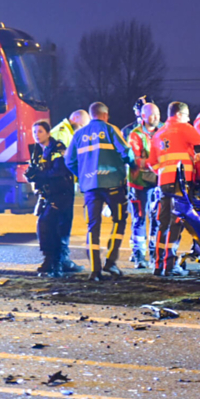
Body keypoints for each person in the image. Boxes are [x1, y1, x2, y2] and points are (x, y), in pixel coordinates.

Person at [64, 102, 135, 281]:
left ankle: (95, 270)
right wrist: (132, 164)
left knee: (92, 227)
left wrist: (83, 175)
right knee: (119, 220)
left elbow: (69, 160)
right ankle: (110, 261)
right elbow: (126, 152)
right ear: (105, 115)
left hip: (90, 187)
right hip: (113, 184)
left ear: (91, 115)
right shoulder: (110, 129)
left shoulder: (79, 134)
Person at [149, 101, 200, 275]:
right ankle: (170, 265)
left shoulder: (158, 133)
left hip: (164, 182)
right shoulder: (184, 127)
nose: (188, 119)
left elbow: (151, 162)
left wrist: (163, 172)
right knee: (176, 222)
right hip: (181, 181)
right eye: (187, 116)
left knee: (162, 223)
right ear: (180, 114)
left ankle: (158, 264)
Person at [24, 121, 74, 277]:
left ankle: (57, 263)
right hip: (47, 194)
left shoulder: (57, 149)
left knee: (53, 227)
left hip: (61, 194)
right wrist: (30, 175)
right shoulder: (37, 150)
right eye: (34, 132)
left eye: (40, 131)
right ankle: (49, 259)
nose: (36, 135)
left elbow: (58, 171)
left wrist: (38, 175)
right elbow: (35, 168)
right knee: (44, 227)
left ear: (48, 133)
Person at [48, 109, 90, 273]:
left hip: (64, 184)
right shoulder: (62, 133)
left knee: (65, 222)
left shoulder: (68, 132)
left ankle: (62, 259)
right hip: (60, 185)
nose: (84, 130)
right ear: (76, 119)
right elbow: (63, 161)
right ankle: (59, 261)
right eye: (83, 126)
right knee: (61, 223)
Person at [126, 101, 161, 268]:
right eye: (152, 115)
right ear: (143, 116)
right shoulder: (136, 135)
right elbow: (136, 159)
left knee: (157, 218)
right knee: (139, 218)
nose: (156, 118)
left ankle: (154, 253)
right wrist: (156, 162)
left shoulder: (162, 131)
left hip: (158, 183)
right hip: (139, 183)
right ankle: (139, 255)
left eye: (158, 115)